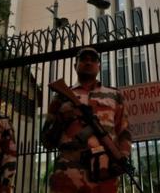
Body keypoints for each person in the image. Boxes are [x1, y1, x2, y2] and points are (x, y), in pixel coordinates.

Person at [41, 47, 132, 193]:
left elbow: (124, 132)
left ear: (99, 66)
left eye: (93, 59)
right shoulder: (61, 97)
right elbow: (46, 141)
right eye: (83, 59)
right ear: (75, 65)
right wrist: (61, 120)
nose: (88, 62)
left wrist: (122, 157)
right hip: (68, 176)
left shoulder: (114, 95)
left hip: (104, 175)